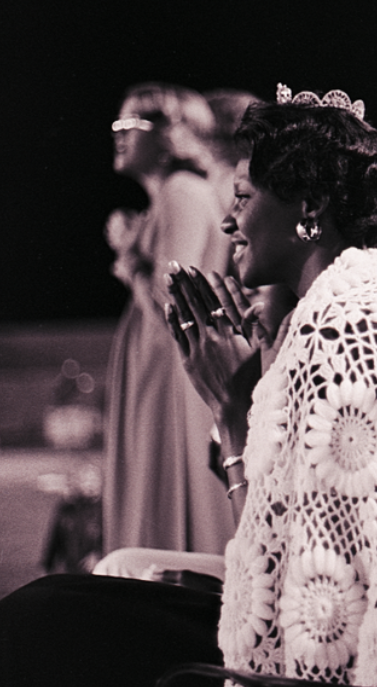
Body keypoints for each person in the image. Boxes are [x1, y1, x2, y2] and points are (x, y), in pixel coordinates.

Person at [0, 84, 377, 687]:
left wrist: (233, 410)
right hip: (296, 630)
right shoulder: (348, 313)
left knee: (35, 620)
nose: (227, 220)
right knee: (72, 592)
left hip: (312, 666)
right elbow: (281, 540)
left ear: (309, 209)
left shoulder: (345, 336)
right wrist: (243, 397)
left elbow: (302, 603)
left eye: (242, 197)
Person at [103, 82, 235, 556]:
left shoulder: (182, 193)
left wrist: (129, 257)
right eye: (117, 122)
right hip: (158, 369)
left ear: (169, 134)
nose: (118, 134)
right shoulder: (175, 196)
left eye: (132, 123)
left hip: (169, 377)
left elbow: (170, 302)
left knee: (164, 497)